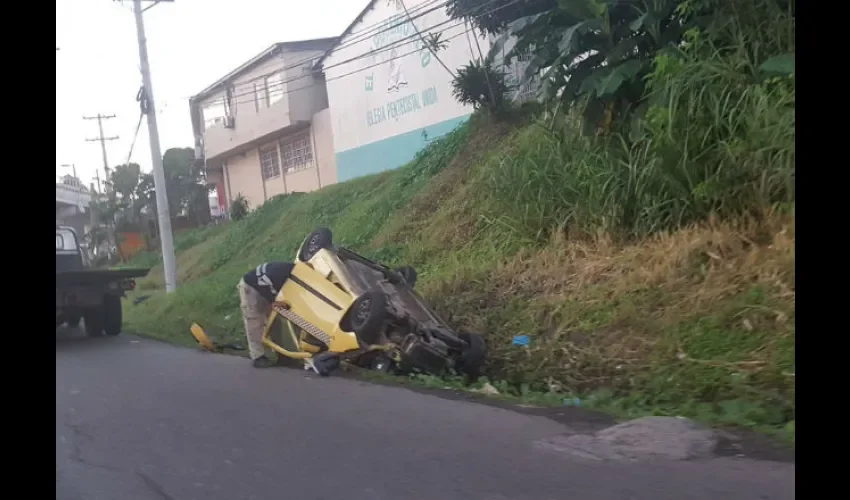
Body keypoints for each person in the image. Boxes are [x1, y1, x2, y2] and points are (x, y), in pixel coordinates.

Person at [238, 261, 295, 368]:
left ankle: (282, 355)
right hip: (251, 287)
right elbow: (265, 285)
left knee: (275, 323)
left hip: (268, 288)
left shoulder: (293, 275)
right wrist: (273, 302)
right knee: (254, 322)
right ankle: (258, 357)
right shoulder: (280, 275)